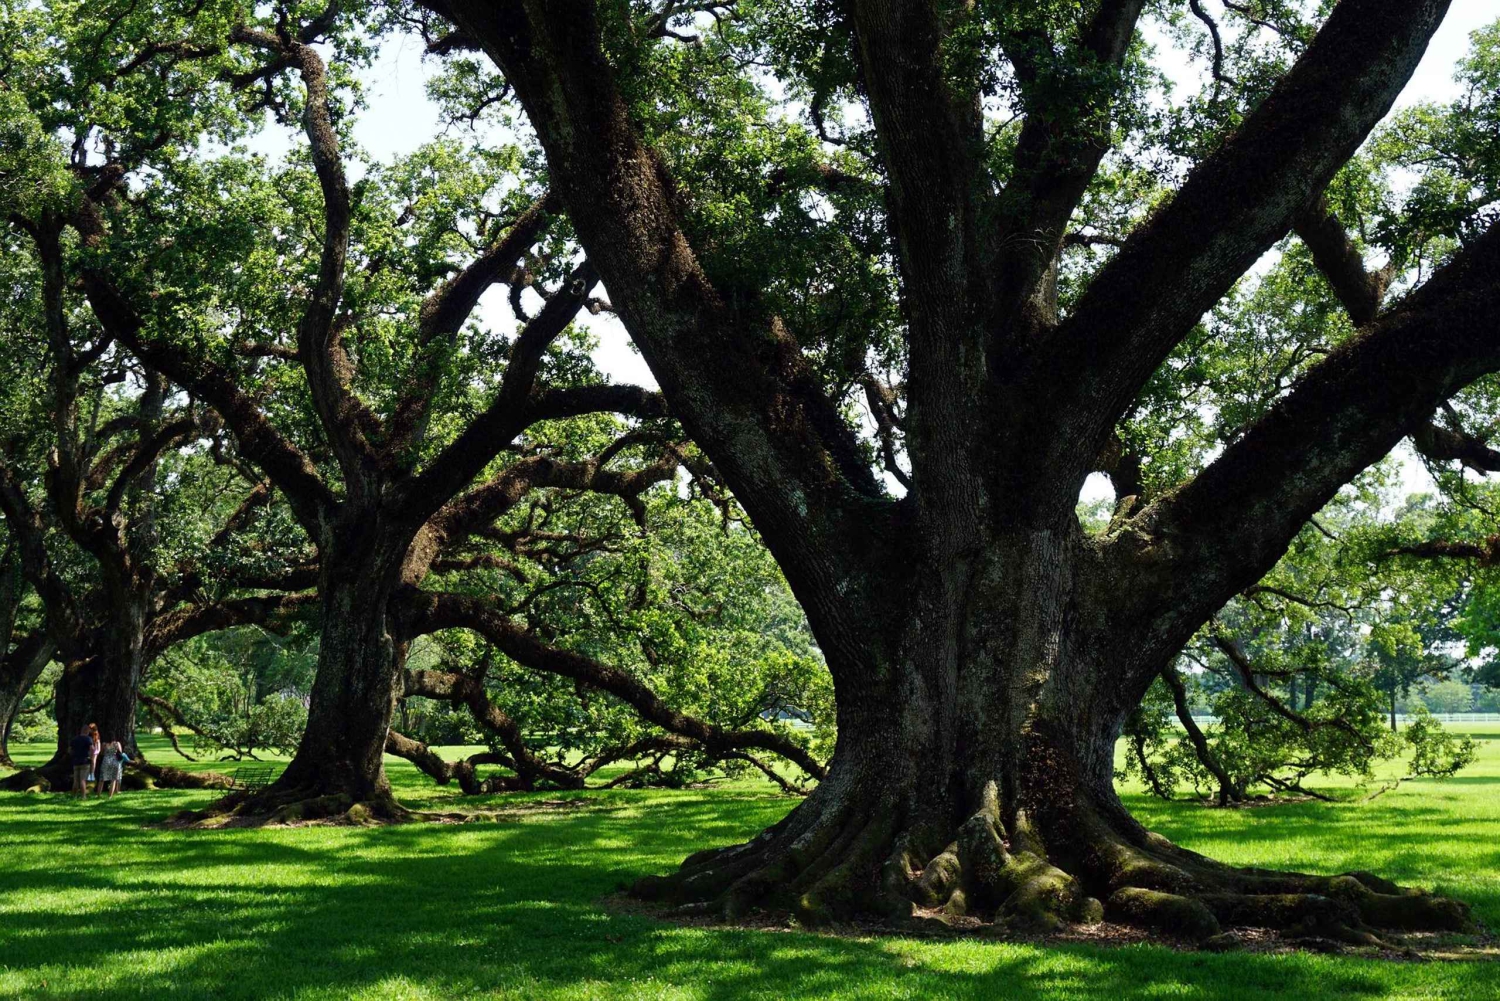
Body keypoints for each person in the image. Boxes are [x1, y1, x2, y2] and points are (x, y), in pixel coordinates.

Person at [69, 726, 93, 799]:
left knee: (75, 780)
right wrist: (91, 757)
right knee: (82, 780)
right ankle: (83, 796)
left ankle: (74, 796)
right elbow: (92, 749)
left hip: (76, 761)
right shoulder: (88, 739)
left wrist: (73, 755)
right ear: (87, 731)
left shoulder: (74, 739)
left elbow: (69, 750)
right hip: (85, 761)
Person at [87, 723, 101, 794]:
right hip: (89, 751)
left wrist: (97, 751)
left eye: (90, 729)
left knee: (93, 762)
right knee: (90, 762)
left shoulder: (96, 734)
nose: (89, 730)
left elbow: (98, 743)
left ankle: (92, 775)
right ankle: (89, 774)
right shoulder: (88, 735)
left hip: (95, 751)